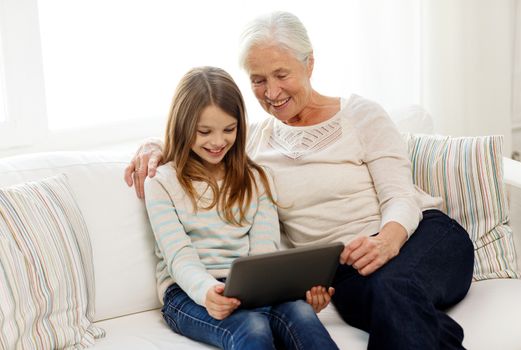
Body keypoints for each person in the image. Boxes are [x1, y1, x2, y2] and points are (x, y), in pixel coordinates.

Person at [127, 12, 475, 350]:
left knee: (394, 289)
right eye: (258, 79)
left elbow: (400, 195)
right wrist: (154, 146)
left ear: (309, 64)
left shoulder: (360, 115)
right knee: (397, 303)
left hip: (418, 238)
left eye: (281, 74)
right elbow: (205, 137)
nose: (271, 91)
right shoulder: (253, 143)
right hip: (350, 273)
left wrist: (386, 241)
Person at [143, 66, 338, 350]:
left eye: (229, 129)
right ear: (183, 127)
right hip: (186, 293)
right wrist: (207, 291)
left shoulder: (256, 179)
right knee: (252, 327)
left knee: (302, 315)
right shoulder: (161, 182)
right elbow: (179, 258)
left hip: (249, 289)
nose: (218, 141)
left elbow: (264, 253)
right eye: (205, 131)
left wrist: (284, 293)